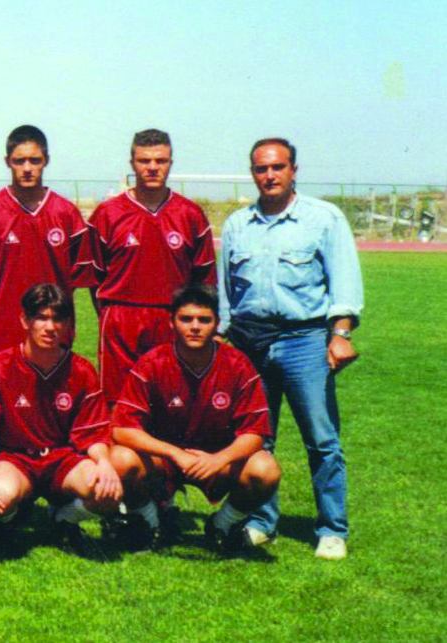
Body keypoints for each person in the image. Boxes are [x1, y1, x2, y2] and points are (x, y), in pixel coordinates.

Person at [217, 137, 363, 560]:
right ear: (252, 173)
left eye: (278, 167)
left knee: (321, 439)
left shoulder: (323, 218)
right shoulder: (237, 225)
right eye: (261, 168)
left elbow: (345, 280)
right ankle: (262, 521)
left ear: (294, 170)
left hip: (305, 340)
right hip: (250, 342)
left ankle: (332, 528)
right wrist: (222, 337)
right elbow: (226, 292)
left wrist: (341, 333)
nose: (270, 175)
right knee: (256, 438)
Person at [108, 284, 280, 552]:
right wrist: (175, 453)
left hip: (217, 460)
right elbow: (121, 429)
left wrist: (218, 459)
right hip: (165, 460)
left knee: (266, 469)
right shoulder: (152, 363)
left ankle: (223, 525)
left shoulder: (238, 365)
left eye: (204, 320)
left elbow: (255, 433)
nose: (195, 327)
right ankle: (150, 522)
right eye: (186, 319)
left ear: (217, 323)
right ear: (171, 322)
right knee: (120, 458)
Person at [0, 283, 119, 555]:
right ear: (25, 320)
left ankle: (64, 518)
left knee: (107, 493)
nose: (50, 327)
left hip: (62, 460)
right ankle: (8, 518)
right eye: (41, 317)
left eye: (58, 319)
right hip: (16, 460)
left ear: (68, 324)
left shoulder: (82, 371)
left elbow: (93, 434)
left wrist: (105, 463)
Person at [87, 129, 216, 404]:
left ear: (171, 163)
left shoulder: (190, 214)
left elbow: (204, 281)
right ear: (132, 163)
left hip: (173, 318)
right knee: (117, 403)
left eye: (161, 160)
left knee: (173, 400)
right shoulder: (107, 214)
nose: (153, 167)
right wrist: (110, 314)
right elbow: (94, 277)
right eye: (144, 161)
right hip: (121, 318)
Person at [0, 125, 96, 369]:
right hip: (0, 330)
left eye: (34, 160)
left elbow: (74, 279)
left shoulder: (66, 214)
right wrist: (0, 306)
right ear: (7, 162)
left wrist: (51, 311)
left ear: (46, 160)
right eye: (19, 161)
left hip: (52, 330)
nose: (26, 168)